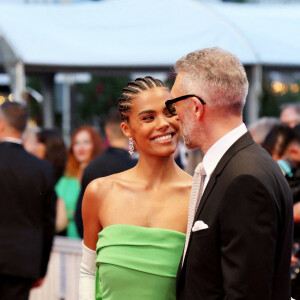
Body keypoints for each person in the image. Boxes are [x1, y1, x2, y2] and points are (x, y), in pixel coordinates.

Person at [166, 47, 293, 300]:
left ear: (195, 107)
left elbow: (247, 292)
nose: (173, 117)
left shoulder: (244, 178)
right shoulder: (248, 163)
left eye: (173, 105)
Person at [79, 76, 192, 300]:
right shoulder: (100, 193)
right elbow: (88, 272)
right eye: (148, 117)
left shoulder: (199, 194)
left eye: (169, 112)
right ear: (127, 129)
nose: (163, 123)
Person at [0, 101, 56, 300]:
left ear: (1, 124)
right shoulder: (43, 169)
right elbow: (48, 222)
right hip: (22, 263)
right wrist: (41, 267)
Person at [75, 108, 137, 238]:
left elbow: (81, 215)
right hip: (129, 242)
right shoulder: (136, 168)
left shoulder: (92, 167)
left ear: (107, 131)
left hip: (99, 243)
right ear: (129, 130)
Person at [55, 125, 103, 239]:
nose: (81, 147)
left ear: (95, 146)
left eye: (86, 142)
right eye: (76, 143)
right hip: (71, 244)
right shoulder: (65, 181)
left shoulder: (102, 178)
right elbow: (59, 221)